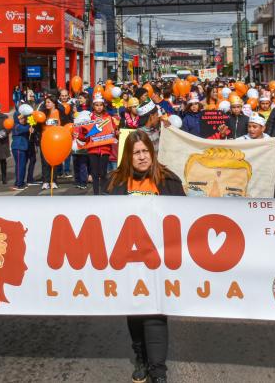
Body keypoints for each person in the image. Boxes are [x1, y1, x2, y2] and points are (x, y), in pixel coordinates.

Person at [107, 130, 184, 383]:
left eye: (145, 152)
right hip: (129, 262)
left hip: (160, 261)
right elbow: (101, 219)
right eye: (136, 153)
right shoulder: (116, 182)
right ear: (129, 157)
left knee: (156, 313)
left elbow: (185, 216)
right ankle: (140, 356)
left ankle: (158, 371)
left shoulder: (169, 180)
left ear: (152, 152)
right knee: (136, 312)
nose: (141, 157)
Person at [76, 95, 118, 195]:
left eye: (101, 105)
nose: (99, 107)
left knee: (103, 172)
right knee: (94, 173)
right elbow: (84, 135)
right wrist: (79, 135)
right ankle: (96, 194)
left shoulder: (108, 117)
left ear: (104, 106)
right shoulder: (89, 118)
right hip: (93, 149)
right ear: (93, 106)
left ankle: (103, 192)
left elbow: (114, 131)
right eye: (96, 105)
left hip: (105, 149)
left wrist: (116, 133)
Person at [10, 113, 31, 191]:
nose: (23, 120)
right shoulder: (17, 126)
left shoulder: (22, 125)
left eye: (24, 118)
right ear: (16, 119)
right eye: (20, 118)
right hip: (18, 148)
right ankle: (19, 184)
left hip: (23, 148)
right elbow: (25, 129)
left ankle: (20, 182)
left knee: (21, 166)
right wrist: (31, 122)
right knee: (20, 166)